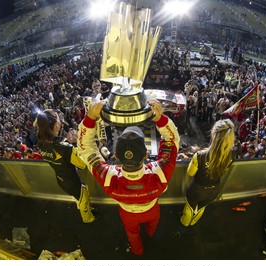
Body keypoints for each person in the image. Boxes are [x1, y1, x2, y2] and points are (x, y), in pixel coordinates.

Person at [77, 99, 180, 256]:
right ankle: (151, 236)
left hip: (128, 214)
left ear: (116, 156)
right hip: (152, 209)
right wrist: (161, 119)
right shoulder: (160, 172)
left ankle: (137, 252)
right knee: (153, 225)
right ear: (146, 154)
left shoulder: (108, 178)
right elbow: (171, 140)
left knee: (132, 234)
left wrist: (90, 118)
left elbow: (86, 149)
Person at [36, 109, 95, 223]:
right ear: (56, 124)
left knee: (78, 199)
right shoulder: (65, 147)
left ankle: (84, 208)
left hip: (60, 179)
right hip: (72, 181)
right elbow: (82, 165)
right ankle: (88, 218)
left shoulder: (40, 143)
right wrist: (73, 143)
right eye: (58, 119)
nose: (60, 122)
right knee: (83, 198)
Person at [180, 119, 235, 226]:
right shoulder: (231, 156)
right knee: (202, 207)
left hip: (196, 190)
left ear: (213, 134)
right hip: (214, 190)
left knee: (190, 207)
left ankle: (185, 222)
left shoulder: (200, 156)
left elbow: (190, 173)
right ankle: (193, 223)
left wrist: (194, 155)